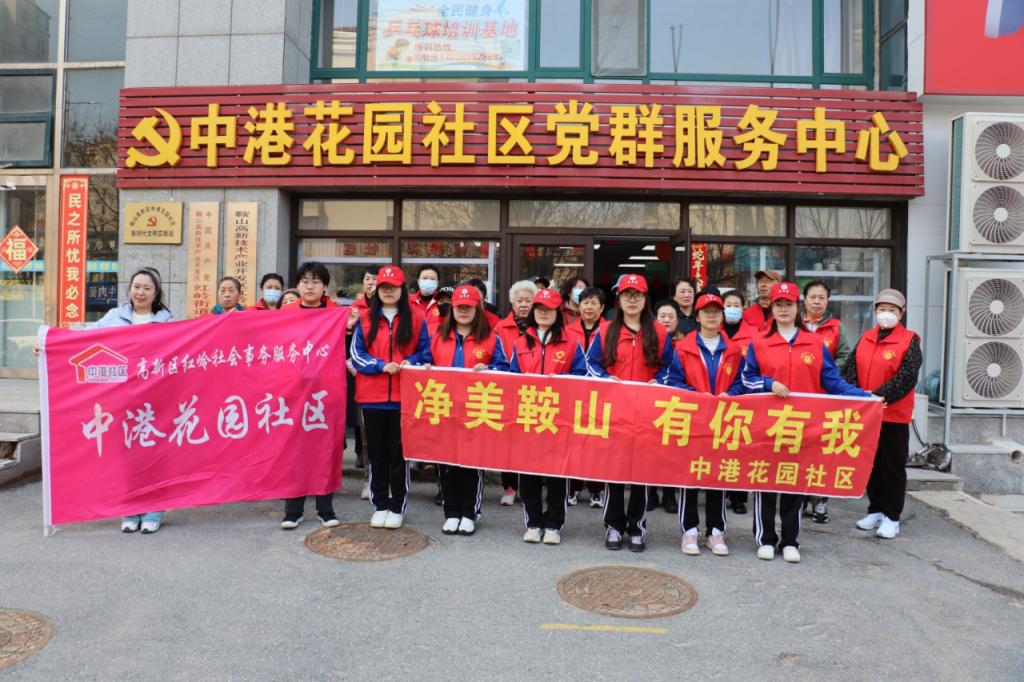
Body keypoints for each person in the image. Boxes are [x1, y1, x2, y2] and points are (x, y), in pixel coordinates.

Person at [741, 281, 870, 563]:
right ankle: (765, 539)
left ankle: (790, 540)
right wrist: (768, 383)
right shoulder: (759, 342)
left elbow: (833, 382)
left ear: (797, 307)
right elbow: (746, 379)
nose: (783, 309)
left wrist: (865, 397)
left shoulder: (814, 343)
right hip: (767, 426)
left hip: (802, 426)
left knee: (795, 482)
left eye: (788, 304)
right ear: (772, 309)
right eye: (778, 305)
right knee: (765, 482)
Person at [585, 273, 685, 553]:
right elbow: (590, 364)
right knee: (614, 471)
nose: (632, 300)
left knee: (641, 472)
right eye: (627, 295)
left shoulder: (659, 333)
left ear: (645, 300)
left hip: (647, 413)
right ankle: (614, 526)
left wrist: (658, 382)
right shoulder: (606, 331)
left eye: (637, 295)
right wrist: (606, 379)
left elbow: (671, 368)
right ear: (619, 299)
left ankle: (637, 528)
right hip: (614, 412)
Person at [88, 268, 174, 534]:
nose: (140, 292)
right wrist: (49, 343)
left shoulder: (167, 322)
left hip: (155, 400)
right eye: (137, 286)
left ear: (156, 293)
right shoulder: (114, 317)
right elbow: (85, 337)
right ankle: (130, 508)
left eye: (147, 288)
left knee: (154, 456)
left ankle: (154, 510)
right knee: (127, 457)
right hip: (122, 399)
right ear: (130, 288)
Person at [350, 265, 432, 529]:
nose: (388, 292)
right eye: (383, 287)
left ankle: (397, 506)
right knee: (377, 455)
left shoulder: (416, 317)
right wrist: (379, 365)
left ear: (401, 289)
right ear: (377, 290)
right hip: (371, 397)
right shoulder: (365, 318)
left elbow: (425, 352)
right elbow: (357, 354)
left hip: (404, 397)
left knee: (399, 455)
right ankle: (380, 505)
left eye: (393, 287)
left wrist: (411, 361)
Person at [509, 288, 589, 545]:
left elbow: (582, 376)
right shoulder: (521, 343)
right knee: (528, 474)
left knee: (558, 473)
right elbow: (511, 379)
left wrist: (563, 381)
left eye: (549, 309)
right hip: (529, 416)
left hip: (559, 418)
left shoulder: (571, 342)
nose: (543, 313)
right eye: (539, 309)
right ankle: (533, 522)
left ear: (558, 313)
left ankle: (554, 524)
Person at [430, 284, 509, 536]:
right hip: (445, 410)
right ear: (452, 309)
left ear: (477, 309)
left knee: (471, 464)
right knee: (446, 464)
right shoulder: (437, 337)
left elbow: (505, 368)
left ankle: (469, 512)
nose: (463, 311)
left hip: (476, 411)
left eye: (468, 307)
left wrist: (490, 370)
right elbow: (423, 362)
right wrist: (424, 367)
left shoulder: (491, 339)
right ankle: (451, 512)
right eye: (459, 307)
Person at [844, 289, 922, 540]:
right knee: (871, 464)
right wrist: (858, 395)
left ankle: (892, 516)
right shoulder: (866, 338)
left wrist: (878, 396)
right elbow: (850, 368)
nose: (886, 314)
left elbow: (907, 376)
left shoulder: (909, 341)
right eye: (882, 309)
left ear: (901, 313)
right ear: (875, 311)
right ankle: (875, 509)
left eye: (892, 310)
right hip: (868, 415)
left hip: (893, 416)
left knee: (892, 466)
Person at [675, 292, 745, 557]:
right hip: (693, 420)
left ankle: (716, 530)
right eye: (706, 312)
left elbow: (741, 381)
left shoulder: (734, 350)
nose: (712, 316)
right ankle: (689, 529)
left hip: (723, 421)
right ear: (698, 316)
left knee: (718, 474)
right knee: (690, 475)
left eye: (716, 311)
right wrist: (695, 396)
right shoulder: (683, 349)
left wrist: (732, 393)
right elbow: (674, 380)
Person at [278, 262, 344, 529]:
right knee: (293, 451)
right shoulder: (284, 314)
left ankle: (325, 508)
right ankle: (293, 509)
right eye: (305, 281)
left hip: (326, 394)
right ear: (297, 285)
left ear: (325, 287)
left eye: (316, 282)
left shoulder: (336, 315)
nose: (310, 286)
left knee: (325, 451)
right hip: (292, 392)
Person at [801, 279, 853, 524]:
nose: (816, 302)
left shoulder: (835, 327)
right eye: (812, 297)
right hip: (799, 396)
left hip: (825, 397)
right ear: (804, 300)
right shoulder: (795, 324)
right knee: (799, 448)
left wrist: (826, 370)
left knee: (822, 451)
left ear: (828, 301)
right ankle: (799, 497)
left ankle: (820, 501)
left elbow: (845, 355)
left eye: (821, 297)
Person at [493, 279, 539, 506]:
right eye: (519, 300)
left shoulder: (541, 326)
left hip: (536, 394)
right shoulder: (500, 328)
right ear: (512, 302)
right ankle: (510, 487)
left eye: (528, 300)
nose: (524, 305)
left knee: (532, 442)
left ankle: (530, 488)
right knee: (509, 440)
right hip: (509, 391)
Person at [565, 286, 608, 508]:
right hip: (575, 396)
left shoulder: (610, 331)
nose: (589, 307)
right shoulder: (568, 331)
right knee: (574, 441)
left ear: (602, 308)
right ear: (578, 306)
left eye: (593, 303)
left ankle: (596, 490)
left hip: (603, 396)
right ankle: (573, 488)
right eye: (585, 303)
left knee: (598, 443)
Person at [650, 298, 688, 515]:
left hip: (676, 404)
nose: (666, 320)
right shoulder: (649, 340)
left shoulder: (687, 343)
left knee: (672, 451)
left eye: (670, 316)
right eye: (662, 316)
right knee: (650, 448)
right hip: (651, 401)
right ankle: (650, 491)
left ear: (677, 320)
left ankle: (669, 494)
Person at [720, 290, 755, 515]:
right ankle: (718, 491)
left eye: (736, 304)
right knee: (717, 446)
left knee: (738, 448)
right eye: (728, 304)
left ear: (743, 308)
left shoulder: (754, 333)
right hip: (717, 396)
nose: (732, 308)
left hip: (742, 397)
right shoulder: (715, 330)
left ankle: (738, 497)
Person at [410, 264, 442, 329]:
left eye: (432, 279)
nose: (428, 281)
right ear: (418, 281)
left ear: (437, 282)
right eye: (425, 278)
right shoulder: (408, 302)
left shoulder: (442, 302)